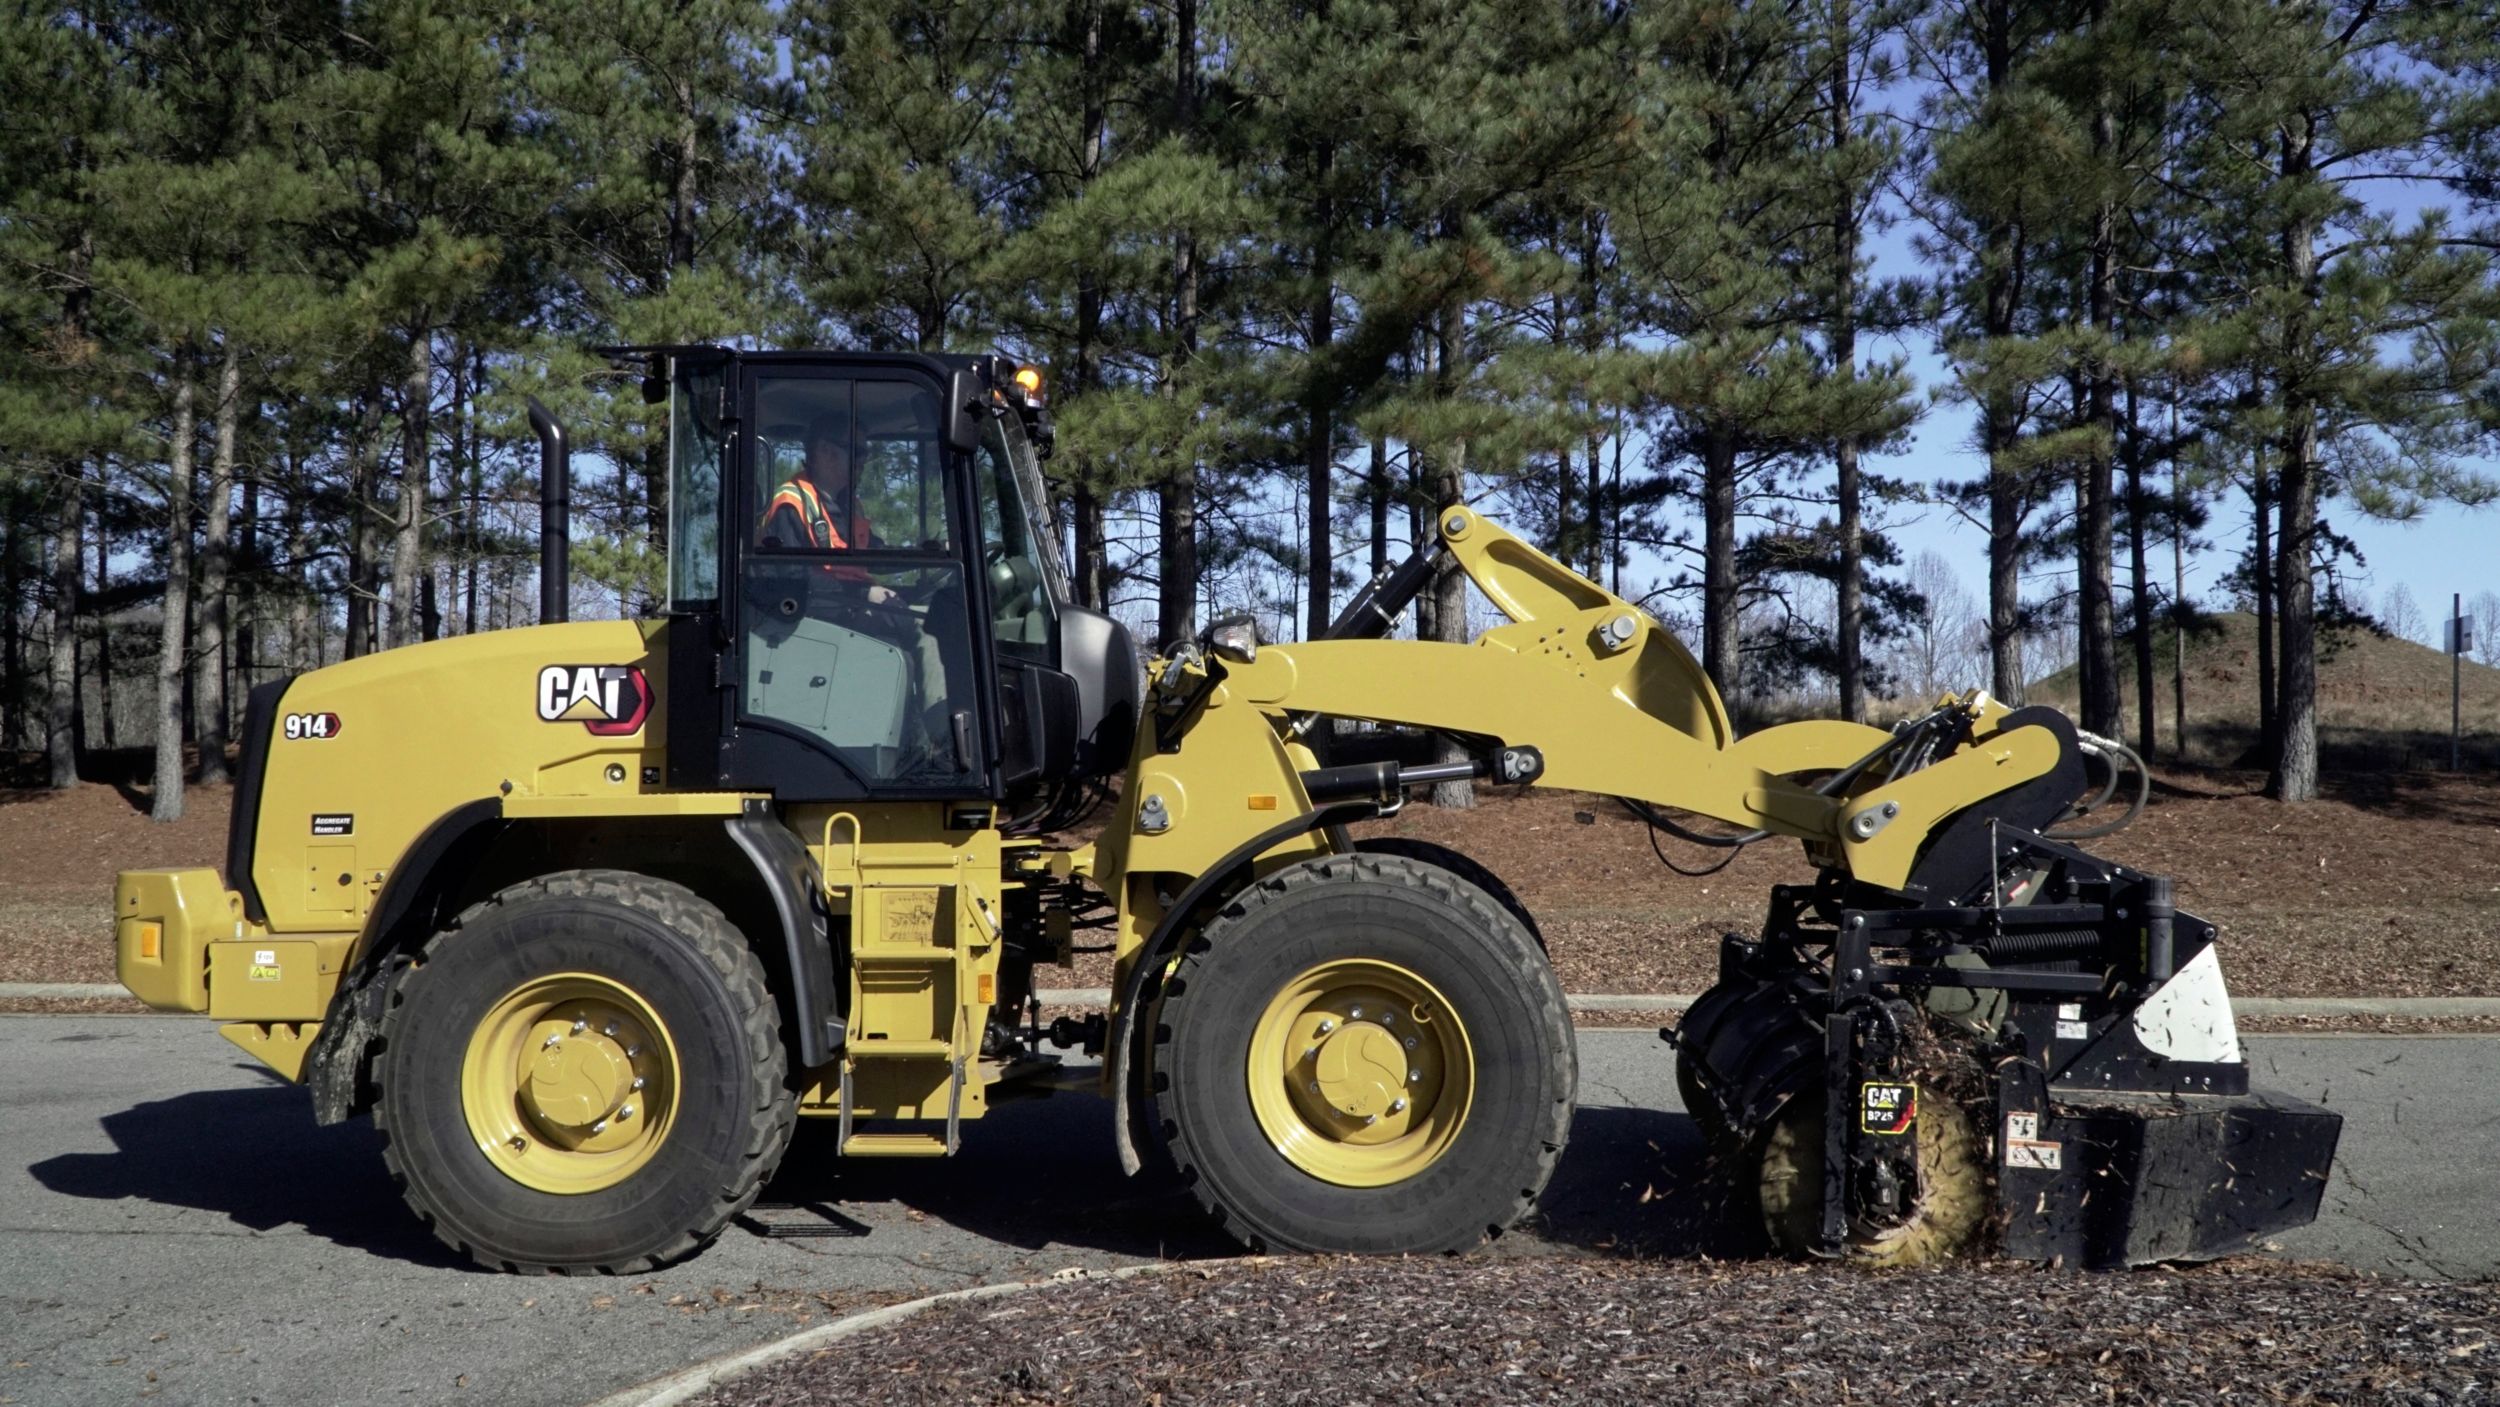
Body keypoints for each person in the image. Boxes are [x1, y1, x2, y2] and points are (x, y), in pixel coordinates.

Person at [761, 416, 898, 603]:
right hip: (812, 617)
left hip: (847, 607)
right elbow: (792, 577)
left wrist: (937, 551)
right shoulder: (791, 504)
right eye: (857, 451)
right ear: (825, 450)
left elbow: (876, 555)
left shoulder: (850, 506)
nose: (863, 461)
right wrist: (862, 592)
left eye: (866, 453)